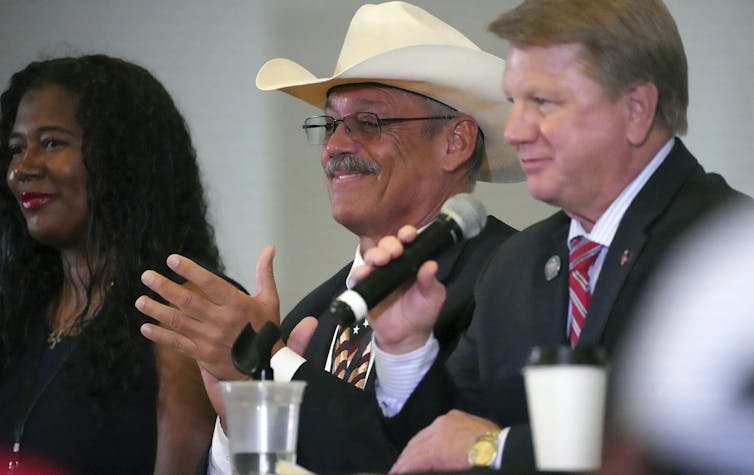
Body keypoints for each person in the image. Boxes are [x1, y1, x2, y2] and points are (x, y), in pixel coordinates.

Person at [356, 0, 753, 472]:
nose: (517, 131)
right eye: (514, 102)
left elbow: (683, 449)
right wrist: (406, 348)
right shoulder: (515, 263)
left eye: (543, 102)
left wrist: (496, 450)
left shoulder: (727, 256)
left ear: (636, 109)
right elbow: (445, 441)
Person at [133, 2, 521, 473]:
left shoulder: (508, 278)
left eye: (368, 122)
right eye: (330, 124)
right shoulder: (312, 314)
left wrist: (267, 369)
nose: (335, 147)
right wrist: (242, 420)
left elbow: (411, 456)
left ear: (454, 142)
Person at [0, 54, 221, 474]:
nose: (21, 170)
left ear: (121, 159)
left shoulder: (177, 310)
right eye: (16, 149)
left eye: (51, 143)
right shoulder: (17, 314)